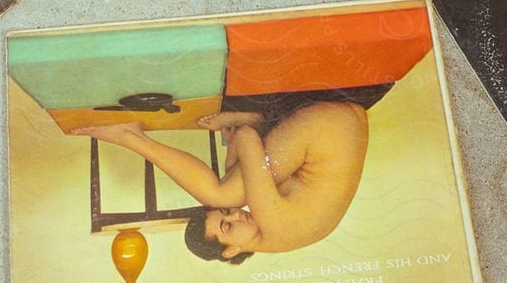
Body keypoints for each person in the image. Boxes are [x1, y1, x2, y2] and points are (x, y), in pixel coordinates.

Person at [69, 100, 379, 261]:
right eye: (228, 227)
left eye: (226, 219)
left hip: (346, 120)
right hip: (331, 122)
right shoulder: (276, 223)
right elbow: (247, 139)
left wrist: (235, 148)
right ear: (231, 251)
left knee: (231, 191)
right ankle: (129, 137)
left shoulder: (281, 240)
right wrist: (239, 132)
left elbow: (252, 165)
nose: (237, 216)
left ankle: (129, 136)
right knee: (220, 195)